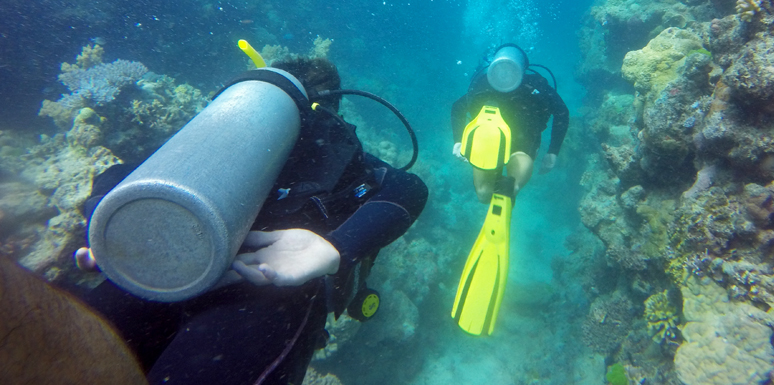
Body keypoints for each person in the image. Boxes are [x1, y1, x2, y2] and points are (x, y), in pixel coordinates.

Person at [75, 56, 428, 385]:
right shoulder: (336, 147)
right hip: (269, 287)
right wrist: (336, 248)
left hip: (167, 260)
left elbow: (117, 174)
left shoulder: (222, 137)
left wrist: (114, 225)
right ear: (328, 108)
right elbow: (408, 188)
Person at [450, 43, 569, 203]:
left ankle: (494, 190)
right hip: (522, 137)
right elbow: (562, 112)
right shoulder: (536, 84)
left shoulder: (483, 82)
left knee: (484, 194)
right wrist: (553, 151)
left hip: (489, 141)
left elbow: (458, 107)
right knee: (520, 155)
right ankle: (512, 187)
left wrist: (458, 140)